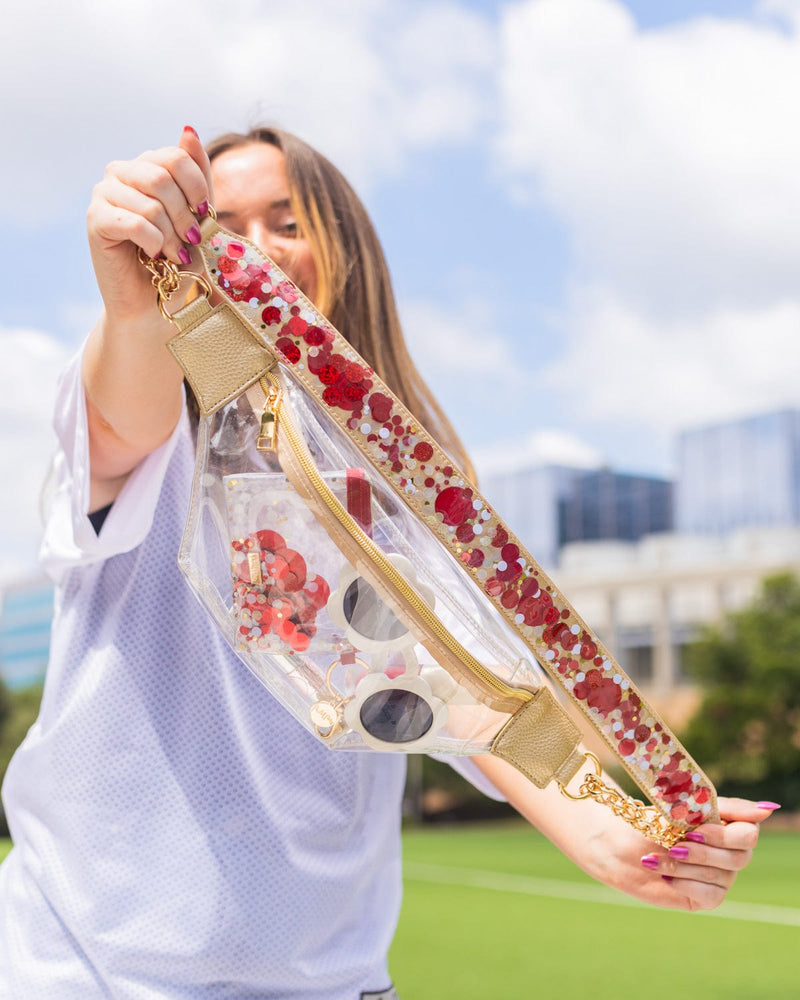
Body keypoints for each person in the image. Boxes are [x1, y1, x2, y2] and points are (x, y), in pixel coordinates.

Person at [0, 125, 776, 999]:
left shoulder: (408, 491)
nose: (255, 250)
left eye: (288, 222)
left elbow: (468, 699)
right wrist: (136, 307)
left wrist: (613, 834)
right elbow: (119, 426)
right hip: (85, 974)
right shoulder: (155, 434)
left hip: (328, 981)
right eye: (218, 224)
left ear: (346, 254)